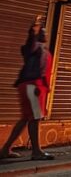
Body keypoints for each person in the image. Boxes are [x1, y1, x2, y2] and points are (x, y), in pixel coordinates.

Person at [0, 20, 55, 161]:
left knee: (25, 118)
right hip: (33, 86)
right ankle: (36, 152)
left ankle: (5, 149)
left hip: (30, 86)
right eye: (43, 31)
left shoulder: (40, 49)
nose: (45, 33)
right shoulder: (35, 48)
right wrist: (34, 30)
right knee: (35, 118)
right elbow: (30, 43)